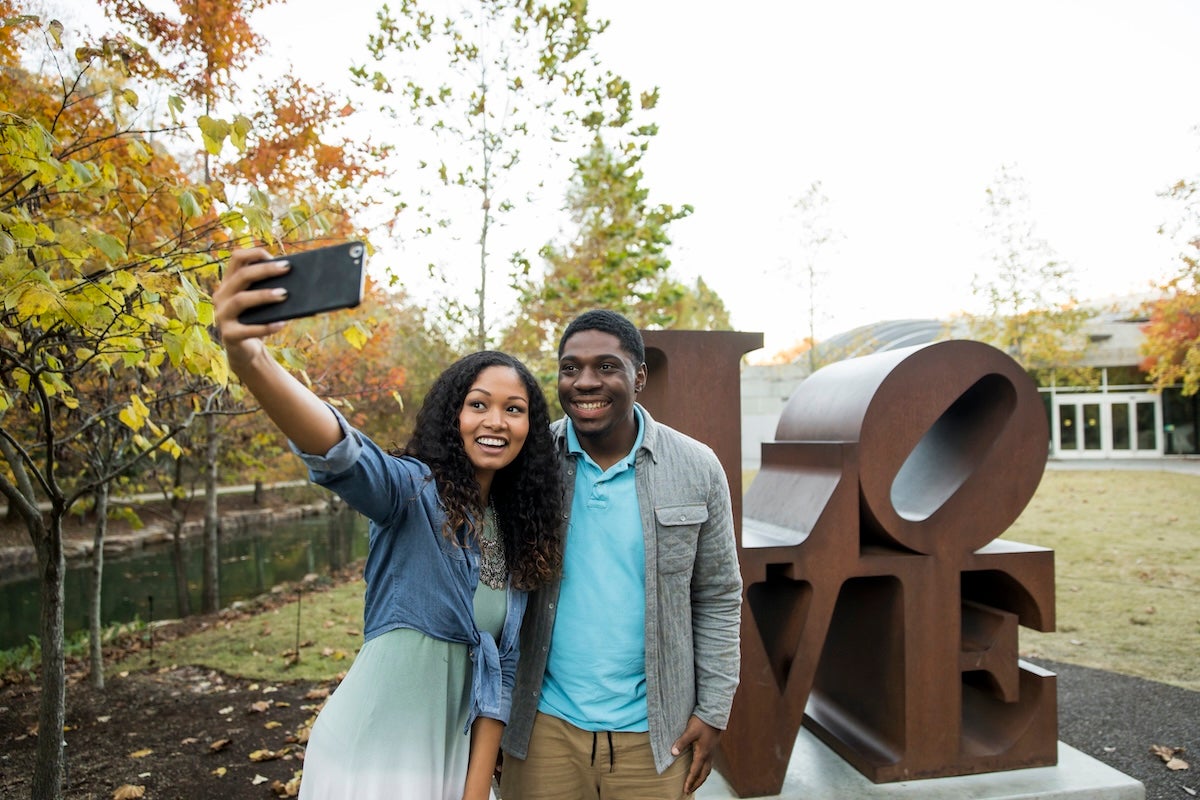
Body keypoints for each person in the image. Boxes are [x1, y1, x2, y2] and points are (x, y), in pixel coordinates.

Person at [212, 248, 563, 800]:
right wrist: (251, 360)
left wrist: (473, 794)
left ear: (529, 429)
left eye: (514, 409)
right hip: (370, 756)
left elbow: (502, 675)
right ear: (454, 417)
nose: (496, 420)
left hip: (450, 762)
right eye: (479, 404)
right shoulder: (411, 492)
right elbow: (342, 454)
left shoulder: (517, 535)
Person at [499, 309, 743, 799]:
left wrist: (713, 710)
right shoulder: (529, 459)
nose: (585, 382)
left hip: (656, 737)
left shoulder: (696, 467)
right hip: (542, 728)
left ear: (640, 376)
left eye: (606, 366)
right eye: (570, 368)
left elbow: (718, 595)